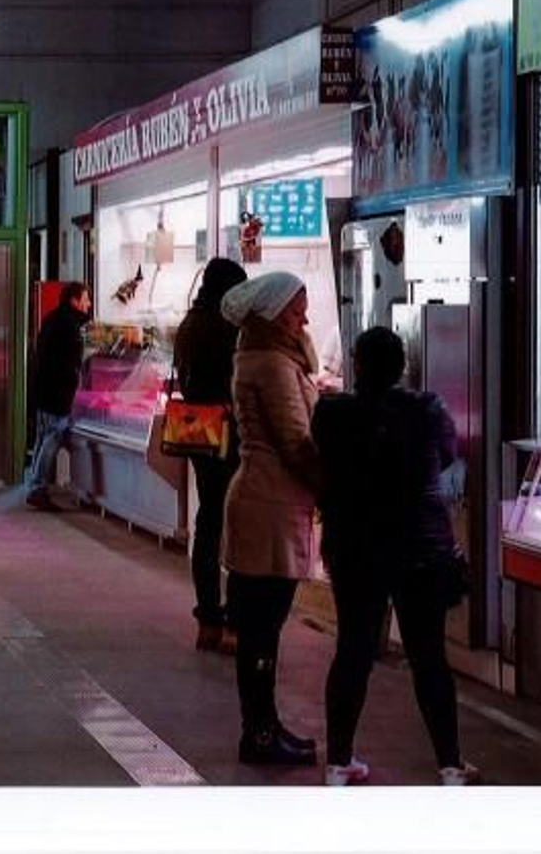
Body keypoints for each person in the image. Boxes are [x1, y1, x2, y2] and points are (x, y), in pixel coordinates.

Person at [311, 326, 479, 788]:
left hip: (355, 547)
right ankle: (450, 765)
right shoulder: (428, 409)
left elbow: (320, 460)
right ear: (402, 364)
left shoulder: (331, 413)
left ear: (357, 364)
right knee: (429, 657)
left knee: (353, 652)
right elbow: (446, 455)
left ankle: (338, 763)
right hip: (420, 547)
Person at [218, 270, 323, 765]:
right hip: (270, 508)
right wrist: (335, 487)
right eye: (297, 310)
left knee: (260, 627)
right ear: (275, 312)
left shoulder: (259, 355)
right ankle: (260, 734)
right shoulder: (273, 365)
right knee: (262, 628)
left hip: (263, 502)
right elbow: (295, 442)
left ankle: (263, 728)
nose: (304, 317)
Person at [172, 257, 248, 654]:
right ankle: (234, 622)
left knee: (208, 523)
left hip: (198, 431)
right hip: (230, 433)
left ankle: (207, 620)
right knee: (234, 526)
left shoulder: (190, 323)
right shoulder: (229, 327)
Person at [25, 281, 91, 511]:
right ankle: (37, 487)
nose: (89, 304)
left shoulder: (53, 319)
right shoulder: (69, 325)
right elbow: (70, 361)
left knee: (43, 438)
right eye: (85, 299)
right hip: (57, 391)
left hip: (44, 390)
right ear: (74, 300)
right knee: (51, 438)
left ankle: (34, 484)